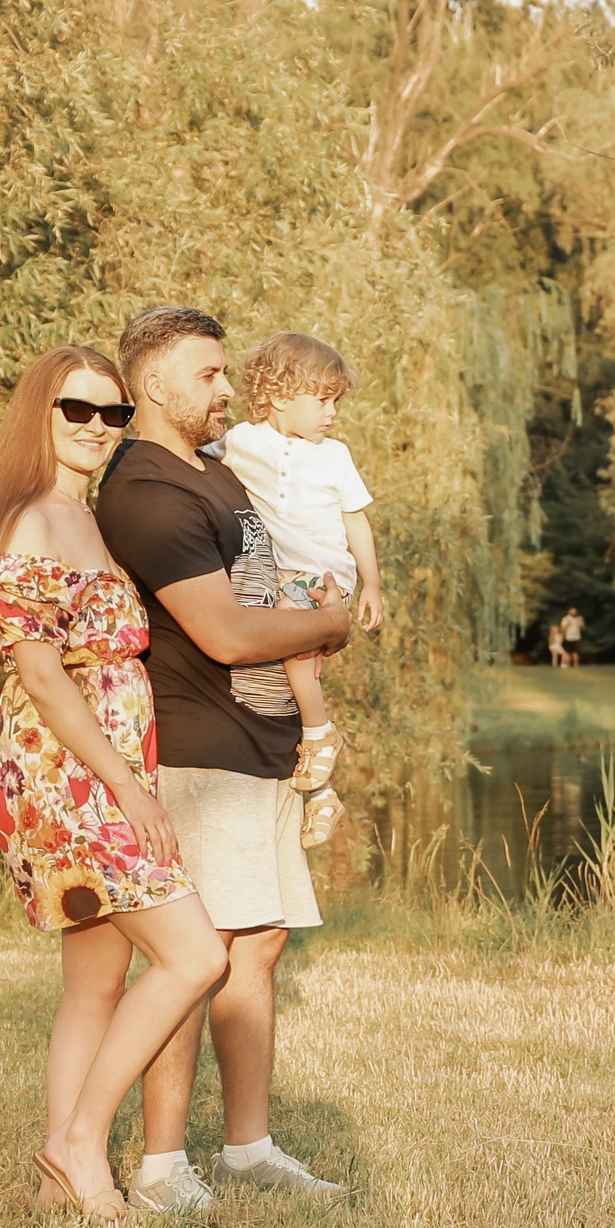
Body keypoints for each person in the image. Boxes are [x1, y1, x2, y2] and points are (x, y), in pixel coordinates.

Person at [0, 345, 230, 1223]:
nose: (98, 430)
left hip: (100, 768)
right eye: (79, 410)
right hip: (68, 777)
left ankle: (52, 1181)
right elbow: (41, 676)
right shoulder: (34, 521)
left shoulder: (87, 518)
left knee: (95, 984)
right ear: (42, 411)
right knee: (197, 955)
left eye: (113, 415)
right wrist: (132, 790)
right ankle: (79, 1142)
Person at [93, 306, 355, 1213]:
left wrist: (315, 610)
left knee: (260, 942)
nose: (225, 389)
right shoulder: (146, 491)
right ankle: (163, 1166)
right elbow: (225, 631)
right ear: (154, 384)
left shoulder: (209, 471)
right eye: (207, 374)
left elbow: (267, 594)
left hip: (257, 744)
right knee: (199, 956)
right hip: (197, 748)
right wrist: (328, 623)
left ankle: (248, 1145)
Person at [215, 332, 384, 849]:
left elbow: (356, 522)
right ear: (281, 394)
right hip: (275, 576)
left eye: (336, 401)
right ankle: (322, 794)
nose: (332, 412)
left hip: (323, 575)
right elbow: (188, 451)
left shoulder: (335, 456)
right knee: (282, 682)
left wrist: (372, 583)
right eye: (323, 400)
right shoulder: (242, 441)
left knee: (293, 660)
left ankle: (319, 734)